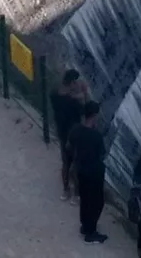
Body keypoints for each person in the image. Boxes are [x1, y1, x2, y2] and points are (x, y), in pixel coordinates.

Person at [69, 100, 107, 243]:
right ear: (95, 115)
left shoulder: (76, 129)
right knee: (97, 202)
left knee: (85, 199)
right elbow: (102, 154)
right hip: (94, 172)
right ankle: (91, 232)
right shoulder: (96, 136)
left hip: (81, 170)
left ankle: (85, 226)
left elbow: (70, 145)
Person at [51, 69, 89, 199]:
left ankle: (65, 190)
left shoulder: (55, 96)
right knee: (77, 163)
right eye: (75, 82)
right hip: (74, 136)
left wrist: (73, 96)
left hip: (62, 133)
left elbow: (61, 95)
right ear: (72, 83)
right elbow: (85, 111)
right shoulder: (73, 103)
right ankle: (76, 193)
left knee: (65, 163)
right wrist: (84, 94)